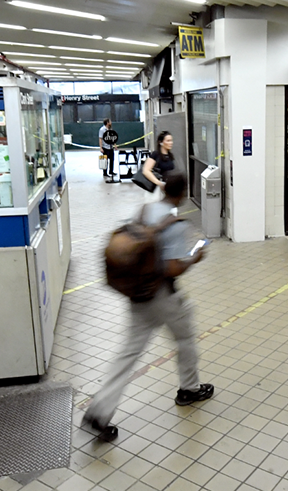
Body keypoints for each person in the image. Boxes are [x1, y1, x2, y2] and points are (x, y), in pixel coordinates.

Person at [82, 171, 214, 442]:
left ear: (164, 188)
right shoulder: (176, 224)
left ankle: (99, 410)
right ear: (183, 193)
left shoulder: (144, 210)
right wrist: (194, 257)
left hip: (138, 295)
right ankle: (189, 389)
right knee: (186, 337)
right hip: (163, 297)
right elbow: (172, 267)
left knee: (128, 353)